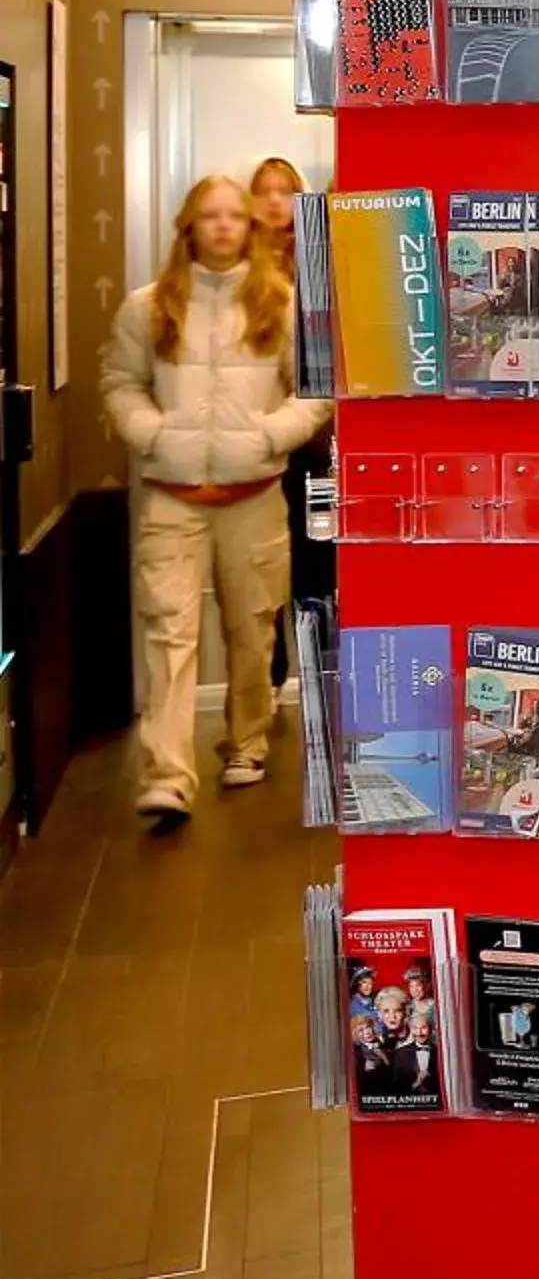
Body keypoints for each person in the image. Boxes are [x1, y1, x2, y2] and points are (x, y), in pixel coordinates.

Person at [102, 174, 331, 822]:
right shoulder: (147, 307)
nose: (225, 226)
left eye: (235, 216)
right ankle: (167, 777)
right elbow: (120, 384)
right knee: (167, 634)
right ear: (189, 226)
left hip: (254, 494)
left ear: (251, 229)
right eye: (211, 216)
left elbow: (315, 389)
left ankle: (247, 740)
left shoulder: (280, 305)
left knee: (251, 630)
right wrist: (156, 435)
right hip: (171, 499)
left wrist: (267, 437)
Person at [247, 156, 332, 708]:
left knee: (313, 562)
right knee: (261, 570)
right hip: (255, 439)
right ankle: (269, 677)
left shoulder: (316, 256)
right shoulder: (242, 270)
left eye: (285, 191)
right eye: (264, 191)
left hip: (313, 437)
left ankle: (319, 673)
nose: (276, 201)